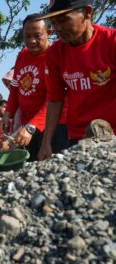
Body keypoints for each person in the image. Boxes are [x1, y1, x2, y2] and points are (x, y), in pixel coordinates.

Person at [38, 0, 116, 160]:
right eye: (54, 22)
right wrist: (46, 142)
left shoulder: (111, 42)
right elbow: (55, 99)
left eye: (63, 20)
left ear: (87, 12)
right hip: (77, 136)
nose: (58, 28)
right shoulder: (55, 54)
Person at [2, 13, 69, 161]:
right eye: (27, 36)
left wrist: (32, 126)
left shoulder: (55, 55)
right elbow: (15, 88)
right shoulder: (22, 55)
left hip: (54, 126)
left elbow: (54, 98)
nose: (31, 41)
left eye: (37, 36)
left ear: (49, 33)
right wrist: (8, 113)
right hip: (27, 126)